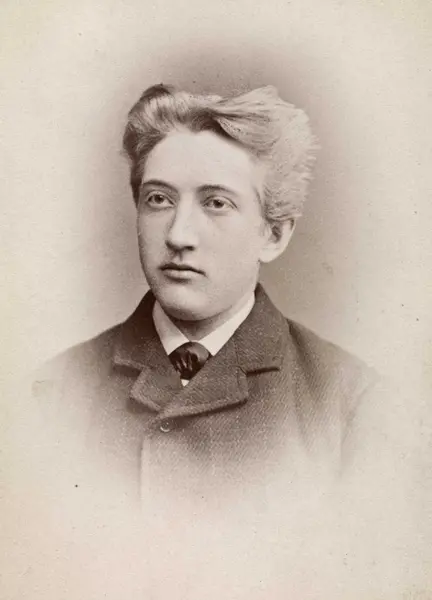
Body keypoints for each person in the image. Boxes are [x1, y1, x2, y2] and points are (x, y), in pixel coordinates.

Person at [28, 83, 415, 600]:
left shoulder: (355, 407)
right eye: (159, 199)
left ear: (274, 234)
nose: (178, 235)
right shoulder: (49, 395)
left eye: (215, 203)